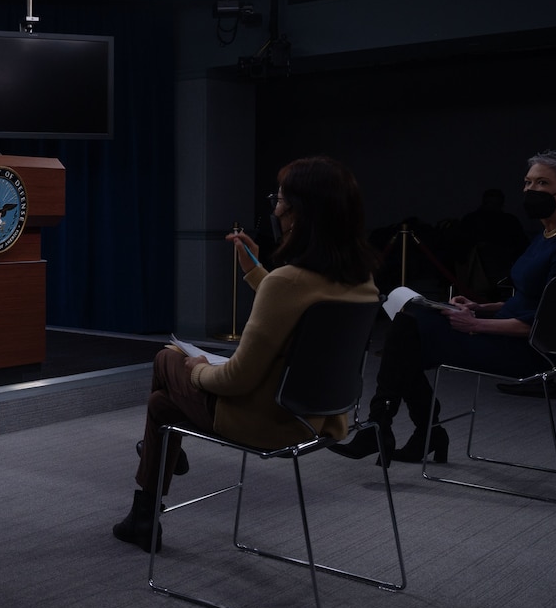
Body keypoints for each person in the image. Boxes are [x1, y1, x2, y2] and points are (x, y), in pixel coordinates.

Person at [113, 156, 380, 553]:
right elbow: (295, 309)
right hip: (319, 419)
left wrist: (199, 369)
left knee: (166, 359)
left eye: (280, 199)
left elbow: (237, 378)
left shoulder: (289, 283)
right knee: (162, 406)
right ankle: (147, 502)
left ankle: (155, 479)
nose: (275, 209)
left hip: (268, 422)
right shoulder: (361, 282)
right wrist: (256, 272)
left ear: (299, 213)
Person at [333, 150, 556, 465]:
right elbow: (529, 299)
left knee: (406, 335)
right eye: (527, 182)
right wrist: (479, 307)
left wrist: (474, 324)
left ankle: (393, 428)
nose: (530, 190)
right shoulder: (549, 232)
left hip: (529, 350)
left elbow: (544, 324)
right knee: (408, 329)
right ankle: (405, 429)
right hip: (505, 330)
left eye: (542, 183)